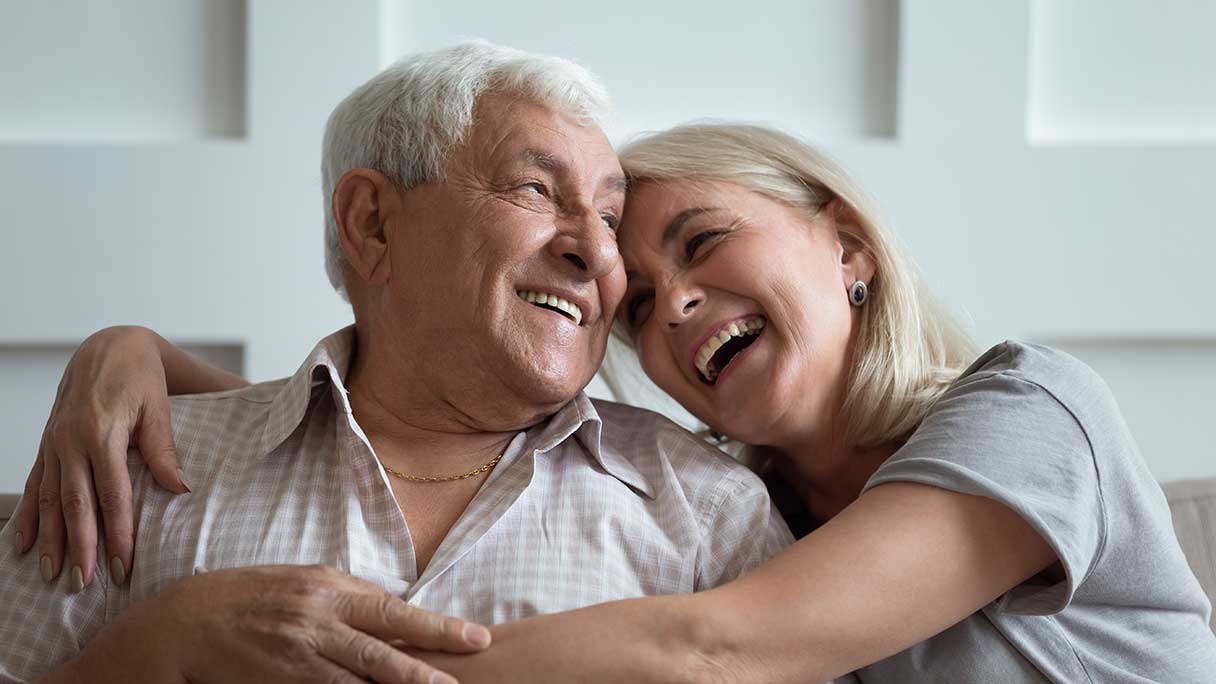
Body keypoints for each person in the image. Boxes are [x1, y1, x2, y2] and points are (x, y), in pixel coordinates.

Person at [13, 70, 1216, 684]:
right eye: (636, 305)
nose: (654, 299)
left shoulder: (1023, 411)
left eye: (697, 243)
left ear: (844, 244)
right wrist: (129, 355)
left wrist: (260, 650)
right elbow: (346, 411)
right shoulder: (766, 513)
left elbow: (705, 651)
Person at [0, 44, 791, 683]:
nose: (594, 251)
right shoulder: (124, 473)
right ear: (372, 224)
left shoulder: (709, 514)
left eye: (610, 216)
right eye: (534, 189)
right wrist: (144, 658)